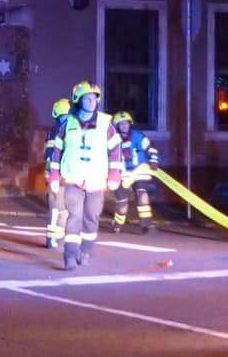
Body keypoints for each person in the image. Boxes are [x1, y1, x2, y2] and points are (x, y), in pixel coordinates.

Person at [55, 81, 117, 270]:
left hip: (96, 181)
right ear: (78, 100)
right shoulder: (68, 123)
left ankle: (86, 251)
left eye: (94, 98)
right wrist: (53, 177)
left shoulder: (106, 124)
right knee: (74, 217)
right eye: (87, 98)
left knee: (91, 218)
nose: (92, 102)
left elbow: (115, 150)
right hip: (73, 180)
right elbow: (57, 150)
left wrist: (115, 174)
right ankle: (70, 256)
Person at [109, 111, 157, 234]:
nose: (125, 126)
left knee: (142, 195)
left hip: (139, 171)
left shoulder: (138, 136)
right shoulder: (113, 139)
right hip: (121, 173)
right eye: (121, 124)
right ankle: (118, 224)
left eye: (127, 123)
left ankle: (147, 224)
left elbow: (150, 147)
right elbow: (107, 154)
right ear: (117, 126)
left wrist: (153, 160)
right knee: (122, 200)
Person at [43, 98, 69, 249]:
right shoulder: (61, 130)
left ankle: (56, 236)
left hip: (57, 175)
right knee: (57, 208)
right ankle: (52, 238)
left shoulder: (55, 130)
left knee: (62, 209)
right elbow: (52, 154)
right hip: (58, 175)